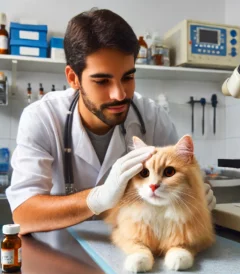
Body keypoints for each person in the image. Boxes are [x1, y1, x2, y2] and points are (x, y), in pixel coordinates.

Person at [6, 8, 216, 235]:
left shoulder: (152, 117)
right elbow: (23, 215)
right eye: (102, 81)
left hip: (133, 245)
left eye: (128, 77)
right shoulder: (42, 117)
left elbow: (181, 175)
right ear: (73, 78)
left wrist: (195, 194)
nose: (119, 94)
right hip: (59, 248)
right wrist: (97, 199)